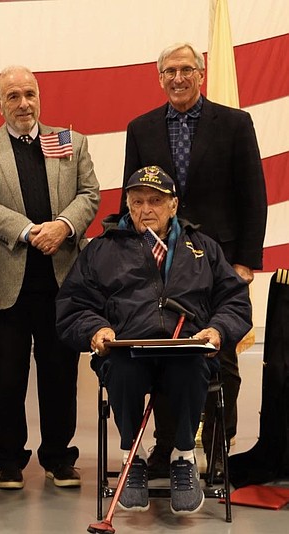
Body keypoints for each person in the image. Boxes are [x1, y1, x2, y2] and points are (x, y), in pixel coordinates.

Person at [57, 165, 252, 514]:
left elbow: (234, 300)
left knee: (193, 364)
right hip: (128, 352)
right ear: (127, 205)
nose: (146, 209)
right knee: (121, 368)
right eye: (137, 202)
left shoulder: (203, 248)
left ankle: (183, 457)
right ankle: (132, 457)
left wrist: (218, 329)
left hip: (186, 348)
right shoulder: (101, 249)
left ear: (173, 205)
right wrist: (96, 329)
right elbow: (74, 304)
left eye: (155, 201)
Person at [121, 42, 268, 476]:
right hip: (159, 263)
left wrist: (244, 262)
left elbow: (253, 196)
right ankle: (168, 448)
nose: (178, 78)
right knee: (167, 352)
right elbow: (131, 197)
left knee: (218, 355)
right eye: (170, 71)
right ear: (159, 77)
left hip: (216, 262)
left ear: (200, 74)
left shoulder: (236, 123)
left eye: (186, 69)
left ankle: (220, 449)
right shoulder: (141, 127)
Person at [0, 65, 100, 489]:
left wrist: (62, 226)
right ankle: (10, 460)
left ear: (40, 97)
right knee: (6, 376)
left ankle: (59, 457)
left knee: (60, 373)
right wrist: (28, 230)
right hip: (4, 280)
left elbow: (90, 195)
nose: (23, 103)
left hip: (62, 280)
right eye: (13, 96)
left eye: (30, 94)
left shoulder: (70, 142)